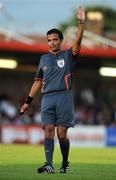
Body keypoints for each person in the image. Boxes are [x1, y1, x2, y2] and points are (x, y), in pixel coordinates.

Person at [20, 5, 85, 174]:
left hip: (64, 96)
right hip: (47, 98)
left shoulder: (68, 55)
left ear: (61, 40)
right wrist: (27, 102)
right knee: (48, 129)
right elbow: (37, 82)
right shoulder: (44, 59)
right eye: (49, 40)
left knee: (62, 134)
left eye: (55, 39)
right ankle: (49, 164)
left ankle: (64, 162)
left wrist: (81, 23)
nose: (52, 42)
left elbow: (78, 41)